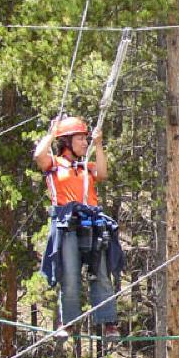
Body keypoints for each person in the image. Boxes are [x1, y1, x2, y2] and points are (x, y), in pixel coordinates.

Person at [34, 116, 125, 337]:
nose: (85, 143)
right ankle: (68, 322)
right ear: (66, 142)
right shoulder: (54, 164)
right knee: (71, 275)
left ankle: (108, 322)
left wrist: (99, 144)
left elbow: (102, 174)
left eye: (86, 139)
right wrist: (52, 131)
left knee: (101, 273)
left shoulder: (86, 167)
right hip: (67, 225)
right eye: (80, 139)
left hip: (92, 224)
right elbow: (38, 156)